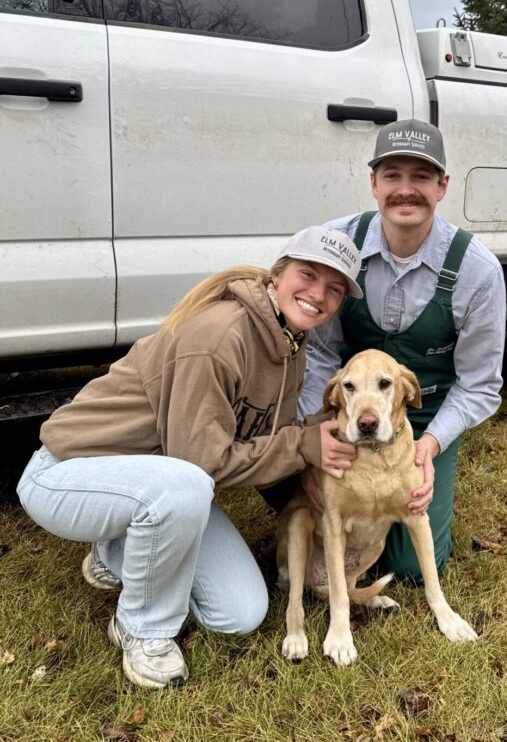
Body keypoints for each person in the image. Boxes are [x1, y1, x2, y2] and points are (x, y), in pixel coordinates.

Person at [16, 227, 362, 689]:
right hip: (66, 474)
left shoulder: (290, 345)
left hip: (155, 482)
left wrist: (325, 439)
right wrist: (302, 446)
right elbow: (199, 463)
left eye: (334, 289)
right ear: (278, 274)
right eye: (308, 274)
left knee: (239, 613)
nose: (318, 294)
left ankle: (117, 550)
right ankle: (141, 630)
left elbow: (265, 437)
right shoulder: (219, 336)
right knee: (187, 487)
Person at [299, 118, 507, 580]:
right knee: (318, 503)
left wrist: (429, 447)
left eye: (421, 177)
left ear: (442, 186)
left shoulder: (478, 272)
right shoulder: (338, 246)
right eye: (392, 175)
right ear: (373, 183)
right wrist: (317, 436)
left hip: (427, 415)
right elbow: (319, 355)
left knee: (410, 569)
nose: (405, 190)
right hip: (352, 406)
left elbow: (480, 385)